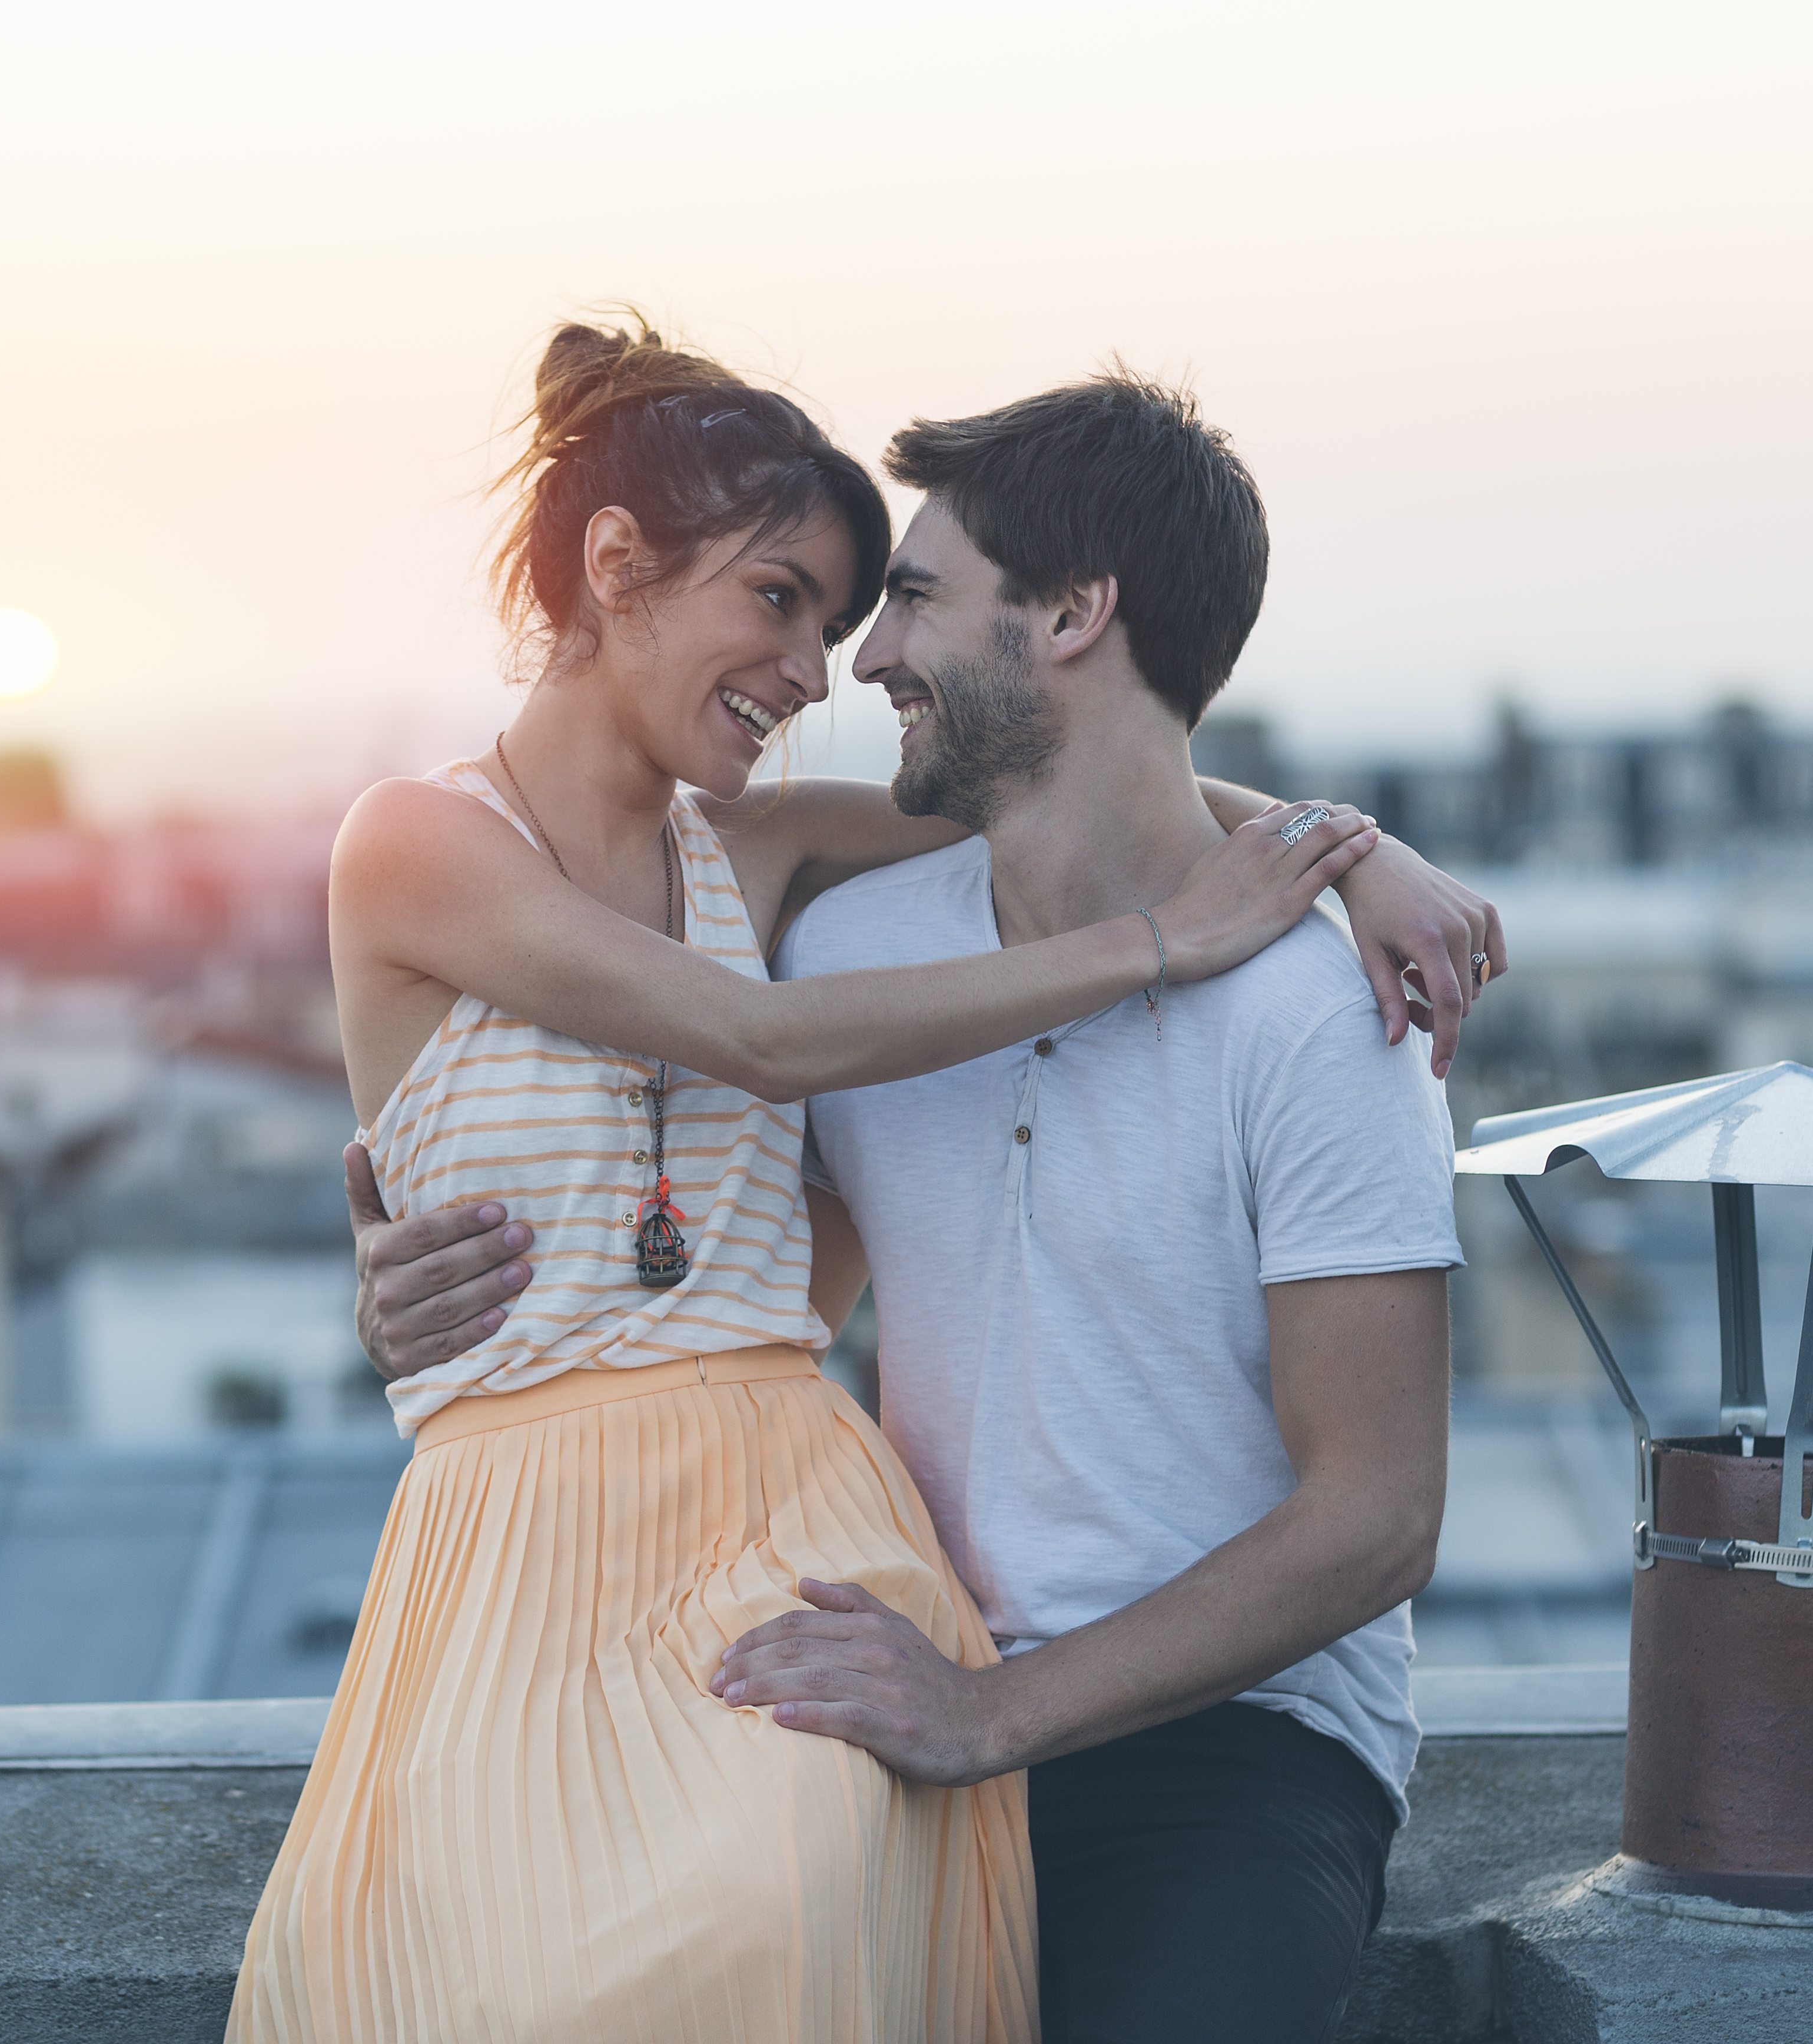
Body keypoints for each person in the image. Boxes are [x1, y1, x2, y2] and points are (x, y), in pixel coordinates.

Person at [229, 320, 1456, 2044]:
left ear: (1073, 612)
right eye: (791, 600)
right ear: (616, 568)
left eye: (891, 603)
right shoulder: (592, 880)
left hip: (1051, 1658)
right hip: (692, 1582)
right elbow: (751, 1084)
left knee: (751, 1924)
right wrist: (428, 1311)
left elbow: (1099, 760)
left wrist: (1351, 854)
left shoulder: (815, 869)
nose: (841, 662)